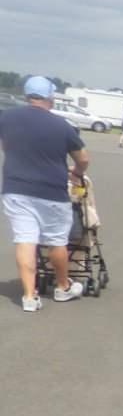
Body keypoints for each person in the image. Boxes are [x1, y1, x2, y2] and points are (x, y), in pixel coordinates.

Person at [0, 76, 89, 311]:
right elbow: (82, 158)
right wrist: (76, 172)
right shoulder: (61, 124)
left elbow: (4, 144)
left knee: (25, 240)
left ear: (27, 96)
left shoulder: (6, 117)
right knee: (57, 241)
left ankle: (30, 296)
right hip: (51, 190)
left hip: (16, 188)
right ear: (50, 97)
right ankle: (63, 287)